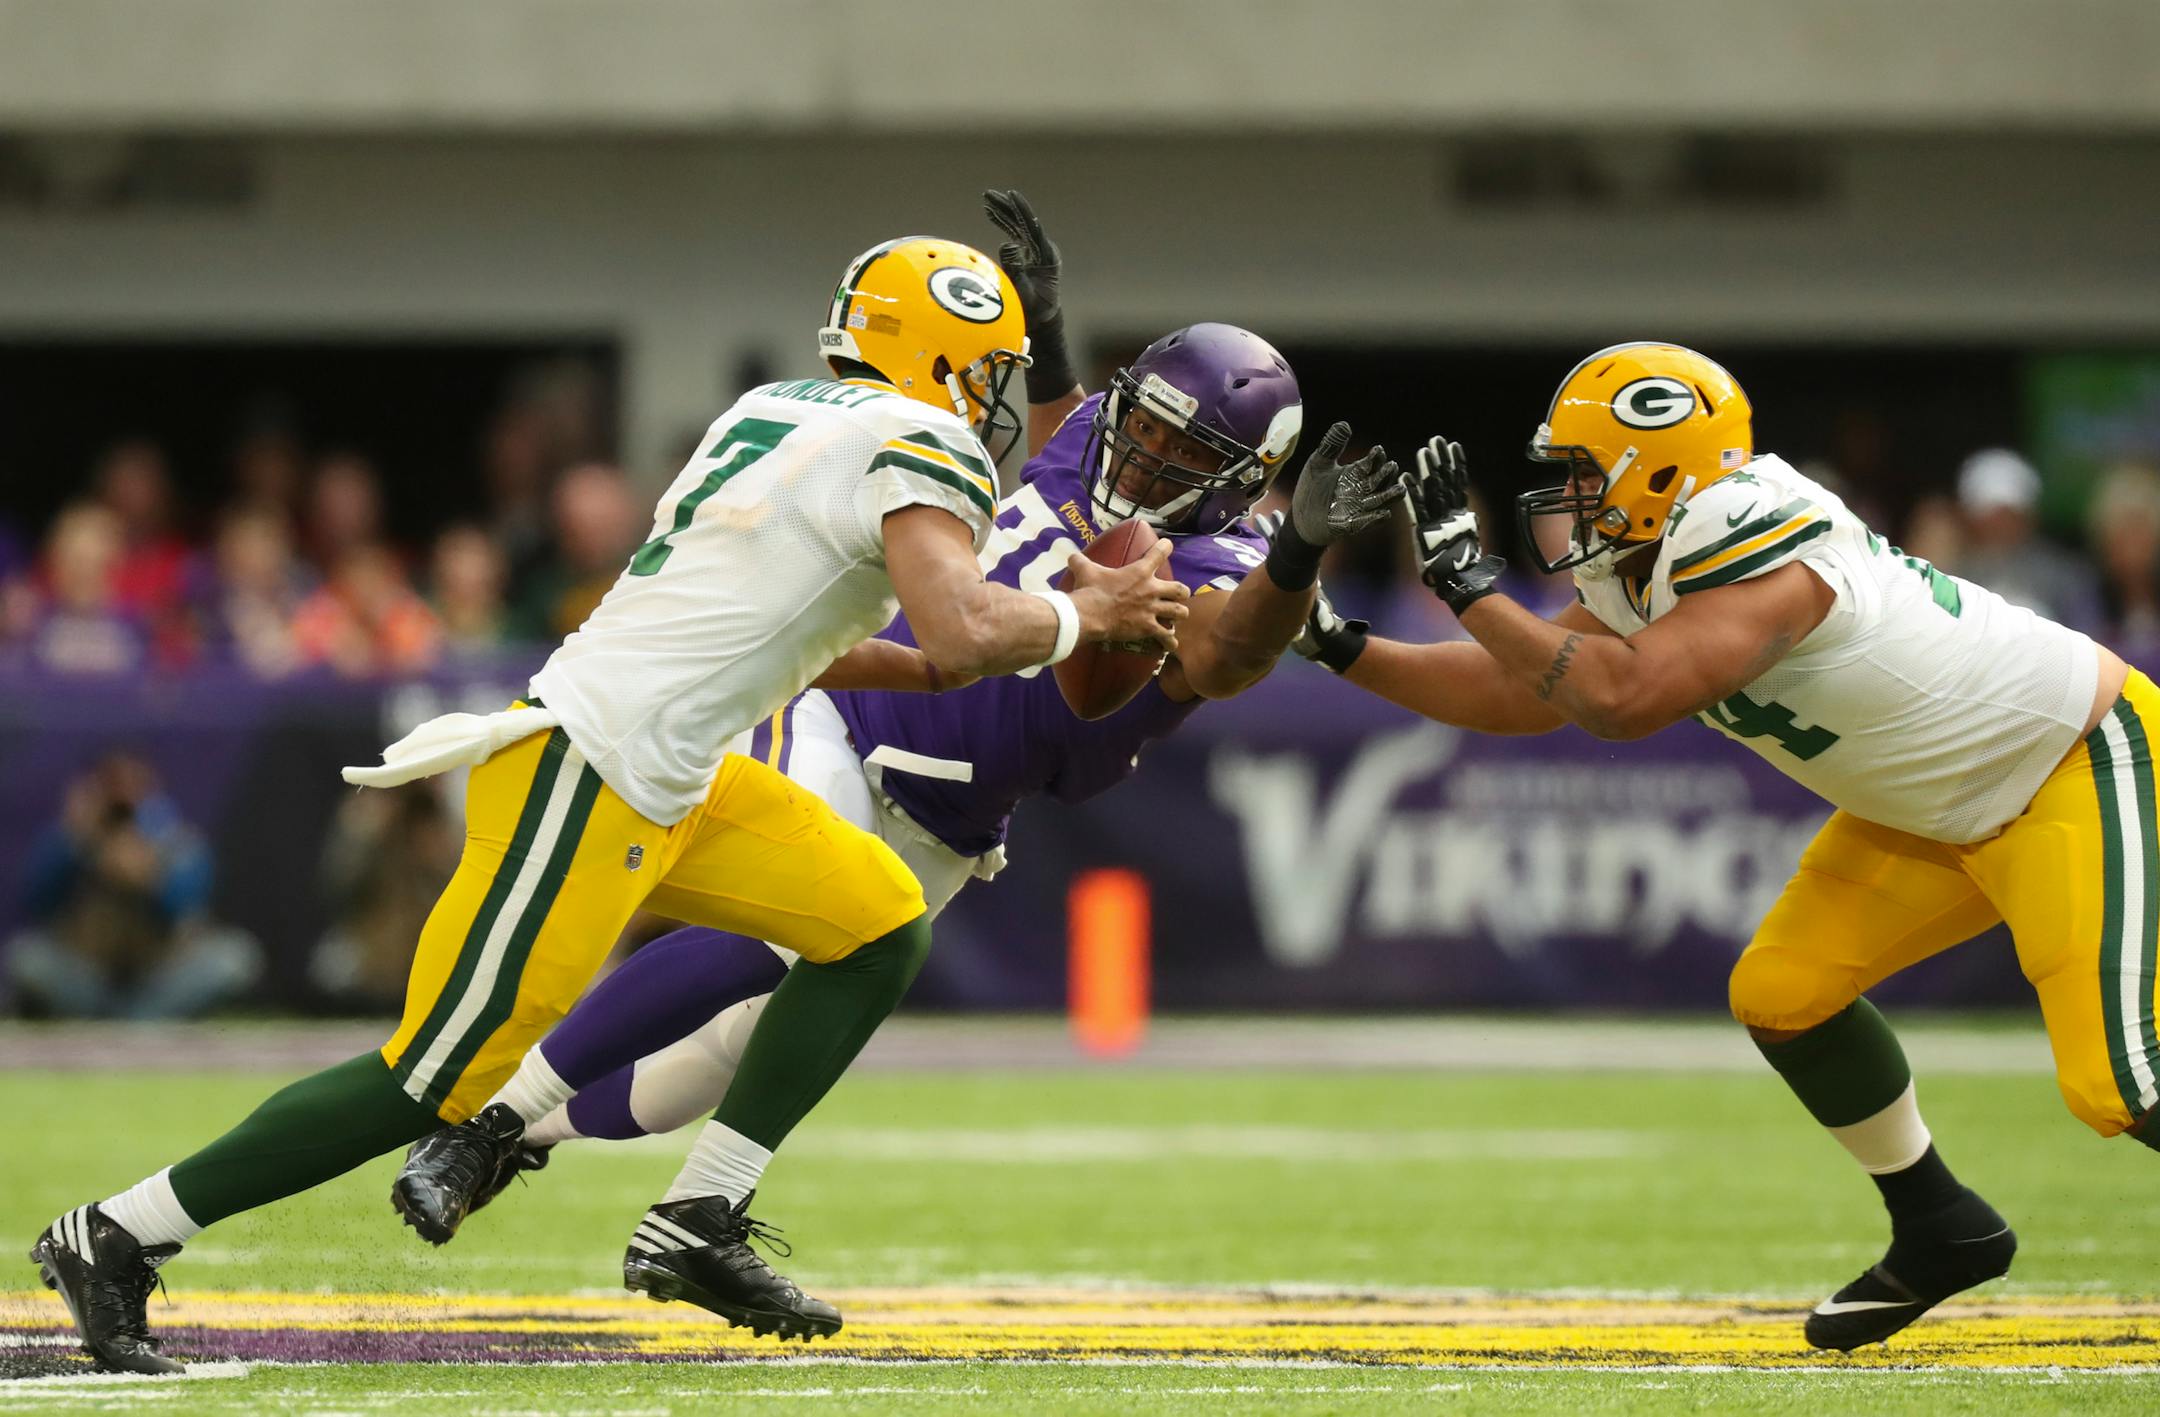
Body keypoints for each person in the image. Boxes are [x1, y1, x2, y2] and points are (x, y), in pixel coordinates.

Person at [31, 230, 1190, 1374]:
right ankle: (120, 1230)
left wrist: (986, 647)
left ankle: (702, 1215)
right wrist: (1091, 618)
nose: (991, 400)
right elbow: (964, 628)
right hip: (593, 770)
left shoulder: (772, 412)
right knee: (429, 1079)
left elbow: (827, 641)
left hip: (673, 769)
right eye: (989, 372)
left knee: (881, 920)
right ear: (945, 361)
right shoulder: (922, 436)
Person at [393, 193, 1398, 1333]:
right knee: (770, 938)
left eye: (1184, 450)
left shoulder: (1230, 557)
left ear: (1240, 477)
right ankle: (483, 1134)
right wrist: (1052, 327)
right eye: (1145, 424)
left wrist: (1305, 549)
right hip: (860, 714)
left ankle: (584, 1165)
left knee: (711, 1065)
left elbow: (1223, 652)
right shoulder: (1091, 434)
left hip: (952, 819)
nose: (1146, 453)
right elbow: (1073, 413)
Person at [1294, 342, 2135, 1352]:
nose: (1571, 496)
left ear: (1661, 464)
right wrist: (1343, 644)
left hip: (2073, 761)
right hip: (1938, 814)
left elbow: (1625, 699)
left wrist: (1475, 585)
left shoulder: (1755, 529)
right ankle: (1941, 1223)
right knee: (1783, 993)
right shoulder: (1640, 559)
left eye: (1585, 470)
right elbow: (1529, 687)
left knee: (2122, 1082)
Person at [4, 753, 261, 1019]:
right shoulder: (71, 841)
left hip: (156, 974)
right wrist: (77, 844)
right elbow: (37, 902)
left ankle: (140, 1022)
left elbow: (184, 908)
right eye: (113, 786)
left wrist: (149, 879)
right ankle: (124, 1022)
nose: (124, 799)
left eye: (134, 786)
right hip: (90, 975)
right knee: (27, 958)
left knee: (234, 956)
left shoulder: (178, 844)